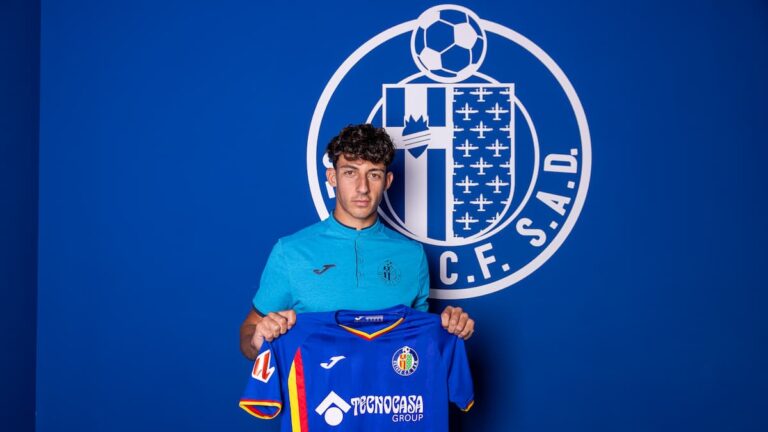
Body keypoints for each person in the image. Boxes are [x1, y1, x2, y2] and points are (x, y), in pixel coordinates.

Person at [239, 124, 475, 360]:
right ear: (333, 177)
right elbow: (249, 334)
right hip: (313, 394)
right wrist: (258, 340)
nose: (363, 188)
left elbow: (419, 345)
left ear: (387, 181)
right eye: (350, 172)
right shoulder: (290, 252)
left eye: (374, 174)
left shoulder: (413, 255)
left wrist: (451, 327)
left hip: (387, 395)